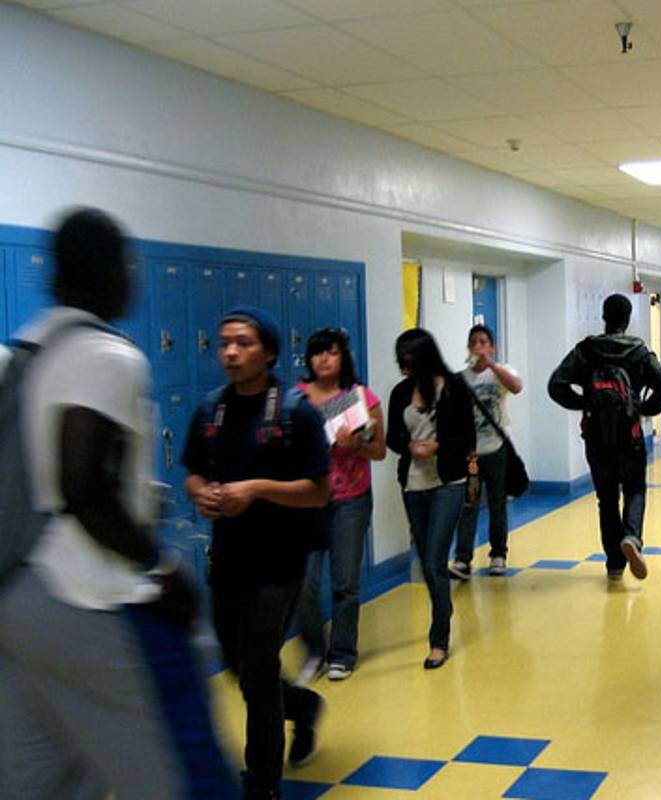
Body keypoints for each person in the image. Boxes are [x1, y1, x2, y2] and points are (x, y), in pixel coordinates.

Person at [0, 208, 237, 799]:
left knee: (42, 778)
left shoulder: (26, 350)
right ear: (116, 271)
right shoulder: (107, 357)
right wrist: (161, 567)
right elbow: (82, 486)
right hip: (88, 594)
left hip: (14, 598)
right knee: (188, 774)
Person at [183, 306, 331, 799]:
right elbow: (193, 471)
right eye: (224, 342)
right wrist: (200, 492)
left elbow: (318, 491)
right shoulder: (210, 410)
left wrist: (257, 489)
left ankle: (261, 783)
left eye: (243, 343)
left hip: (281, 561)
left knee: (259, 669)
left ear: (268, 352)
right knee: (238, 665)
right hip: (228, 559)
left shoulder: (296, 412)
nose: (230, 351)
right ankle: (303, 707)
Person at [548, 294, 661, 582]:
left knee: (606, 499)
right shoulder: (639, 353)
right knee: (634, 490)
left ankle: (614, 565)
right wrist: (640, 410)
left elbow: (556, 386)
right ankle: (631, 537)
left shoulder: (586, 351)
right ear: (627, 320)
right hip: (629, 436)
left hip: (596, 438)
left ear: (603, 317)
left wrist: (585, 403)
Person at [295, 328, 385, 684]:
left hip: (351, 499)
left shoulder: (361, 397)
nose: (324, 360)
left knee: (345, 582)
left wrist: (353, 446)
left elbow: (379, 450)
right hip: (306, 500)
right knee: (303, 581)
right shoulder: (296, 398)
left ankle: (342, 653)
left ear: (343, 357)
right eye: (317, 353)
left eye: (331, 353)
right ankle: (314, 651)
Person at [386, 328, 475, 669]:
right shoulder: (401, 392)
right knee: (426, 563)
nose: (404, 367)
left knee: (436, 561)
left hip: (448, 481)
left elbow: (467, 437)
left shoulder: (453, 388)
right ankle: (444, 605)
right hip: (413, 484)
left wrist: (439, 446)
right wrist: (409, 446)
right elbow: (394, 436)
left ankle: (439, 639)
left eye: (410, 360)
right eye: (401, 361)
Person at [451, 324, 524, 580]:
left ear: (492, 346)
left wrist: (491, 365)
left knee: (497, 503)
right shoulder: (461, 379)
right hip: (472, 456)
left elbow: (516, 387)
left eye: (484, 342)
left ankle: (498, 554)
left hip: (497, 450)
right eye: (474, 342)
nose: (479, 347)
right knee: (469, 504)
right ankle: (462, 560)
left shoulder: (502, 372)